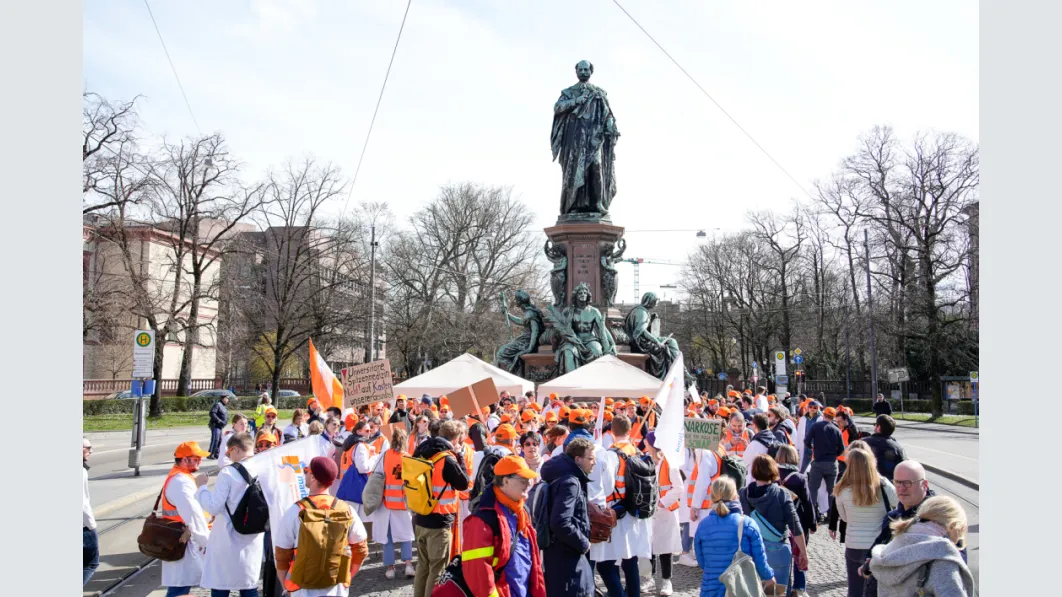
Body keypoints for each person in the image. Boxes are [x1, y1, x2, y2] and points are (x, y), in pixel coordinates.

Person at [437, 455, 547, 597]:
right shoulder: (483, 519)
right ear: (505, 481)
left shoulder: (521, 511)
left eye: (529, 479)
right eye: (523, 480)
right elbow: (478, 571)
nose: (529, 483)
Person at [274, 457, 369, 596]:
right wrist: (347, 577)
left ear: (313, 477)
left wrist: (286, 586)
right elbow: (361, 549)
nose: (304, 474)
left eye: (306, 471)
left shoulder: (295, 511)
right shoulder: (347, 510)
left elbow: (282, 556)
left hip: (301, 589)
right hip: (336, 588)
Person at [195, 432, 264, 597]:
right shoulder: (263, 467)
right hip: (253, 535)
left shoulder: (228, 473)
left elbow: (213, 507)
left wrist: (202, 487)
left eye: (228, 453)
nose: (229, 457)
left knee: (221, 584)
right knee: (249, 586)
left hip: (227, 536)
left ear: (235, 449)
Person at [411, 420, 471, 597]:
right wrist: (460, 457)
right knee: (437, 568)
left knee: (423, 566)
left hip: (420, 516)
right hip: (439, 521)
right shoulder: (447, 459)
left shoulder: (421, 450)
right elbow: (463, 484)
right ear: (456, 439)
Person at [868, 496, 974, 596]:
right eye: (959, 534)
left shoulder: (890, 549)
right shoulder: (941, 559)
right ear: (953, 526)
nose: (956, 542)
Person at [598, 415, 652, 597]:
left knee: (605, 563)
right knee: (630, 560)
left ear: (611, 432)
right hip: (634, 509)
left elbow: (606, 486)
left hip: (616, 510)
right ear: (630, 431)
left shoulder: (611, 454)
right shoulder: (636, 451)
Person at [694, 477, 776, 597]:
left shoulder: (703, 526)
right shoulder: (748, 524)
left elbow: (702, 562)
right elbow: (760, 560)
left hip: (710, 589)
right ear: (734, 496)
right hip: (740, 589)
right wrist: (769, 576)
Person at [739, 455, 808, 595]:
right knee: (779, 593)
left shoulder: (743, 493)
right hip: (779, 551)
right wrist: (803, 553)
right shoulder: (782, 494)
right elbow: (795, 526)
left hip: (752, 551)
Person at [834, 448, 898, 597]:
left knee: (854, 590)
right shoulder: (882, 486)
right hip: (878, 546)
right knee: (877, 590)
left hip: (854, 545)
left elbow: (844, 518)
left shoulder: (842, 489)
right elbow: (896, 501)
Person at [539, 437, 596, 597]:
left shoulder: (564, 475)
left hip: (559, 554)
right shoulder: (570, 482)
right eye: (590, 458)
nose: (594, 463)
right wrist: (583, 543)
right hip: (567, 556)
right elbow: (560, 521)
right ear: (578, 459)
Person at [160, 442, 212, 597]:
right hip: (182, 541)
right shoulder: (181, 482)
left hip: (182, 539)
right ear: (184, 460)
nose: (200, 461)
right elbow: (193, 515)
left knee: (180, 586)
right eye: (196, 458)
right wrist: (206, 542)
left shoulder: (182, 477)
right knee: (180, 587)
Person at [369, 426, 416, 580]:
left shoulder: (384, 456)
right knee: (405, 535)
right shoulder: (408, 457)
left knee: (388, 537)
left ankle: (391, 568)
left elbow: (377, 476)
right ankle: (408, 564)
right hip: (403, 504)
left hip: (386, 503)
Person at [774, 445, 816, 597]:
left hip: (778, 520)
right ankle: (799, 587)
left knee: (783, 554)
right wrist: (812, 523)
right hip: (798, 520)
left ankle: (785, 585)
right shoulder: (799, 478)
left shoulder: (773, 475)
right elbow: (807, 502)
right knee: (799, 553)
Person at [646, 432, 683, 596]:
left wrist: (663, 502)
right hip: (649, 512)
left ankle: (667, 581)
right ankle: (649, 578)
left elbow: (678, 487)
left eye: (646, 442)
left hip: (665, 512)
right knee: (649, 547)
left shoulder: (669, 463)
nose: (644, 444)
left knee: (665, 547)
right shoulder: (646, 461)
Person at [800, 405, 845, 521]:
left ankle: (813, 514)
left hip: (818, 462)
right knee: (832, 490)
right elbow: (841, 449)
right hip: (832, 463)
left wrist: (813, 448)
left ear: (823, 415)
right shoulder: (836, 430)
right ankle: (831, 515)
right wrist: (834, 454)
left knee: (813, 488)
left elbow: (806, 441)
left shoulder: (815, 426)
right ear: (833, 417)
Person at [862, 416, 906, 481]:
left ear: (878, 427)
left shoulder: (862, 443)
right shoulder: (897, 447)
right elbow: (903, 468)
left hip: (866, 483)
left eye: (875, 425)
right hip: (890, 485)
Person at [741, 413, 778, 484]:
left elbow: (745, 462)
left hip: (756, 481)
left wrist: (748, 448)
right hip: (770, 478)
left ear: (754, 425)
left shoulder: (756, 442)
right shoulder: (773, 438)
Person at [83, 438, 98, 587]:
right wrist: (91, 525)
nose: (91, 451)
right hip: (83, 526)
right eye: (88, 447)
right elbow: (82, 503)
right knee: (91, 563)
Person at [208, 394, 230, 459]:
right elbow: (212, 413)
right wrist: (219, 421)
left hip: (220, 426)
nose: (227, 400)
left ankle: (216, 454)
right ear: (223, 399)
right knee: (215, 439)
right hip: (216, 425)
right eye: (226, 399)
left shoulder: (223, 406)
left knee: (220, 440)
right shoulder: (217, 405)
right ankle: (211, 454)